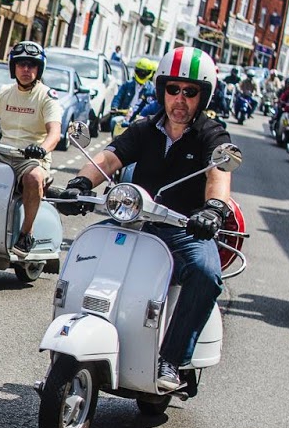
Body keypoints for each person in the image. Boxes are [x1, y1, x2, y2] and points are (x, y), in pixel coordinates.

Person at [62, 48, 233, 393]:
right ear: (161, 91)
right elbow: (109, 158)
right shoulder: (145, 129)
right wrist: (80, 183)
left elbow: (218, 175)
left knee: (206, 274)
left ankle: (172, 358)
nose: (180, 100)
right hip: (136, 221)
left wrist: (212, 209)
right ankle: (74, 335)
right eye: (173, 89)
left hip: (184, 228)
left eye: (190, 91)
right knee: (86, 251)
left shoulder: (211, 135)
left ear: (204, 95)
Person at [0, 40, 62, 256]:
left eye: (31, 65)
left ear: (39, 69)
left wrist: (42, 149)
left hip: (30, 158)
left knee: (33, 178)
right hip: (2, 153)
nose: (26, 69)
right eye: (21, 64)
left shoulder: (46, 97)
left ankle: (27, 233)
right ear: (13, 67)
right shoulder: (3, 93)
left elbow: (55, 133)